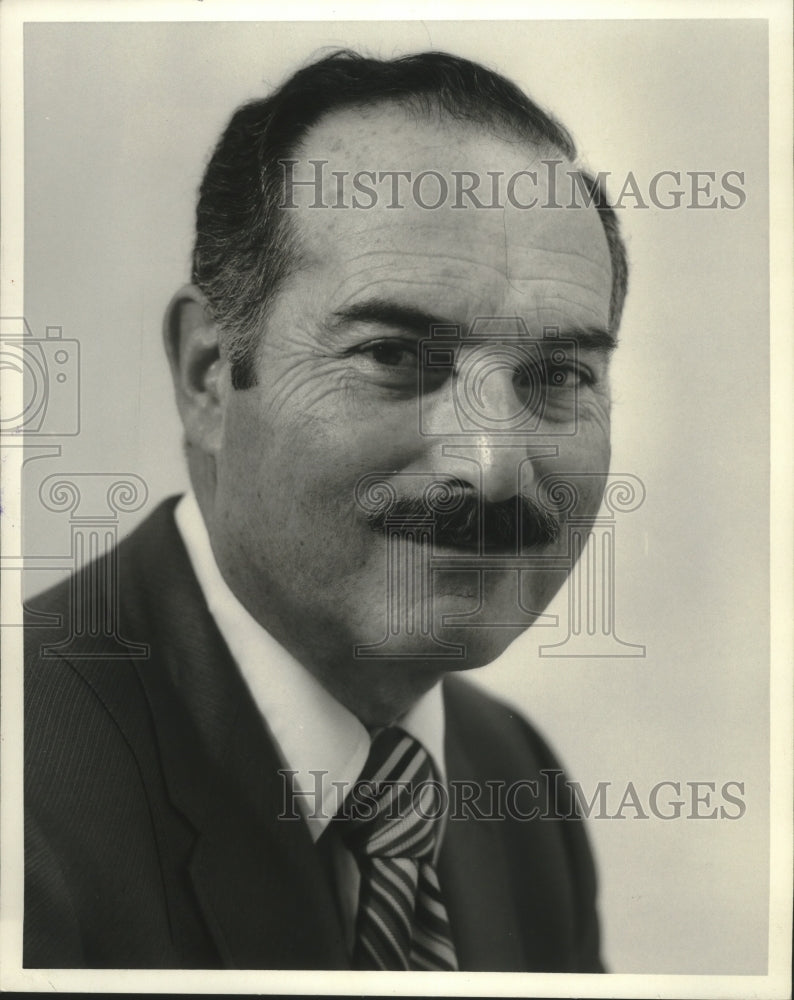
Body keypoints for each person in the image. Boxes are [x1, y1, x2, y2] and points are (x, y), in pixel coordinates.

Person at [24, 49, 627, 971]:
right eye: (394, 355)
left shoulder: (516, 784)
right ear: (209, 375)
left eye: (558, 376)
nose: (494, 466)